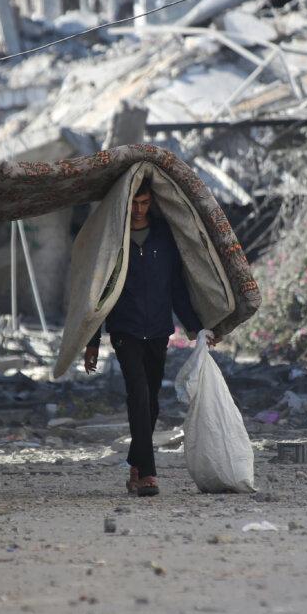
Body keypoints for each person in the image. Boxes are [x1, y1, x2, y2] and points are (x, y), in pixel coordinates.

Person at [84, 178, 212, 498]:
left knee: (152, 401)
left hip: (158, 330)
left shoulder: (165, 238)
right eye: (134, 204)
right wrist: (93, 341)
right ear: (125, 205)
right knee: (138, 394)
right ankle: (149, 475)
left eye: (144, 203)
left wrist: (196, 328)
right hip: (125, 330)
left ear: (152, 202)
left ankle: (135, 463)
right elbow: (98, 292)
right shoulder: (115, 239)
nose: (139, 210)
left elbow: (177, 289)